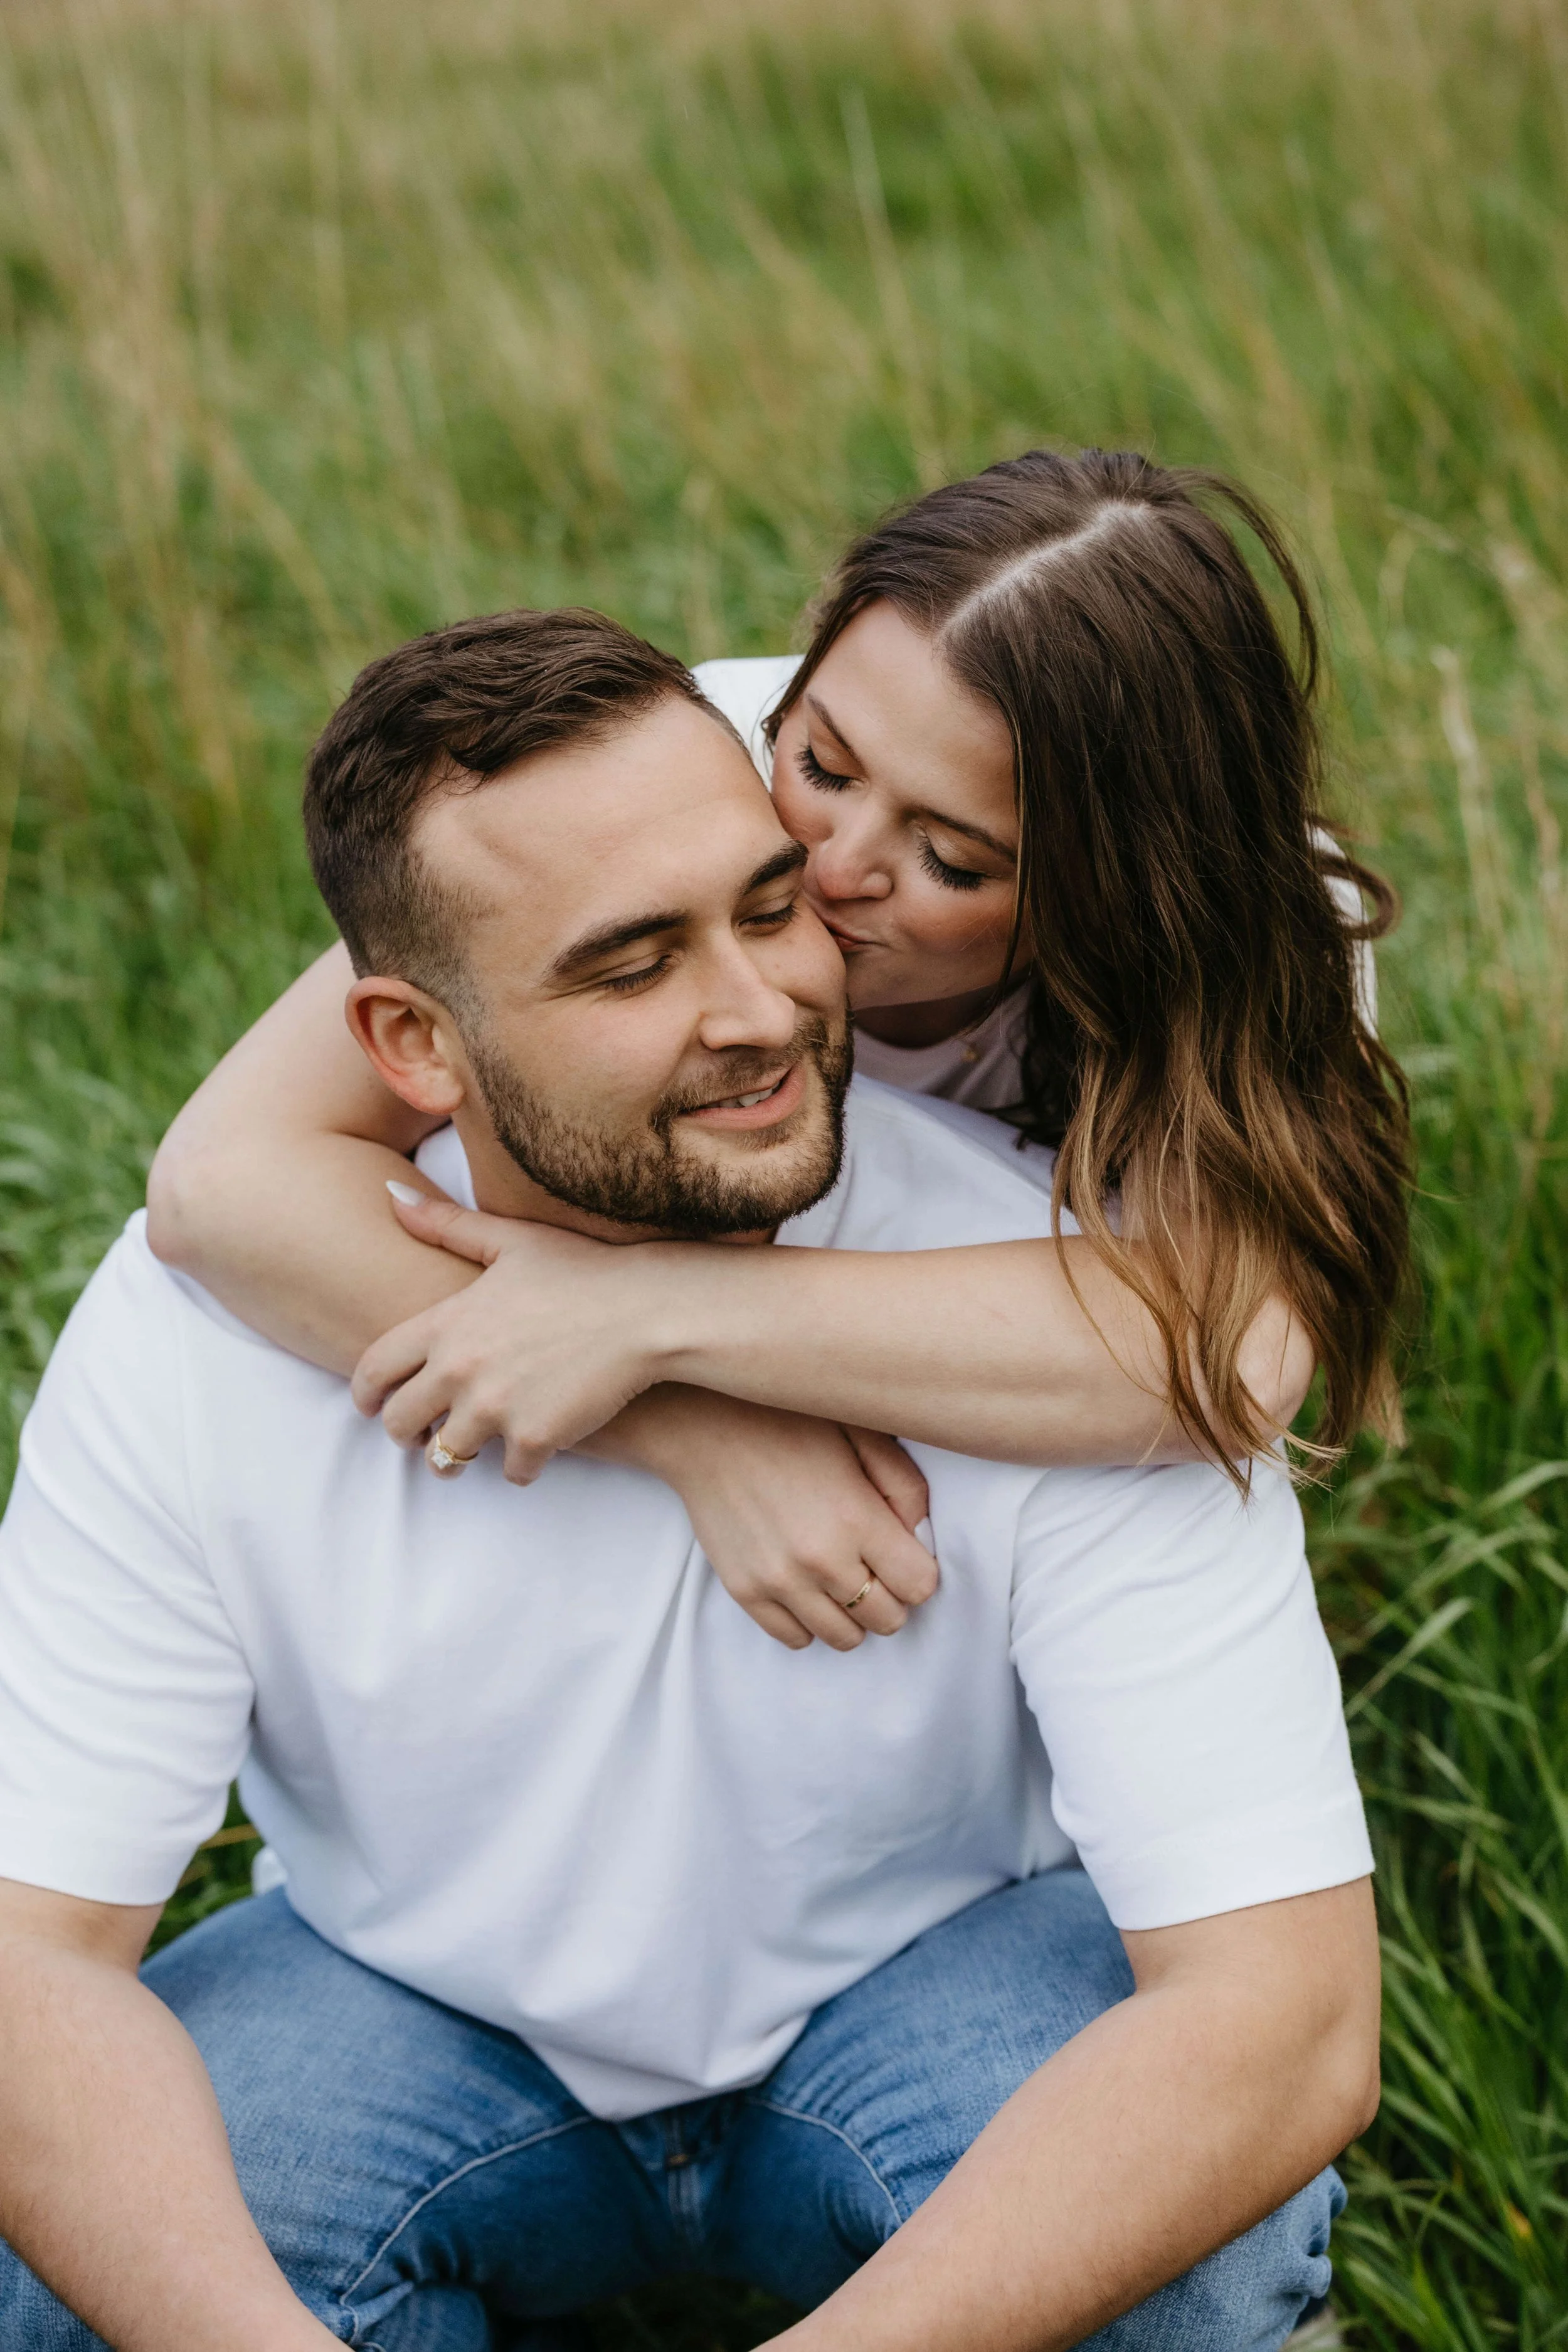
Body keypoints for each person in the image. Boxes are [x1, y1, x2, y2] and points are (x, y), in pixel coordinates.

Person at [0, 607, 1379, 2351]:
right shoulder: (209, 1324)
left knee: (1193, 2270)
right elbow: (24, 1957)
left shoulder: (1053, 1315)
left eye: (766, 904)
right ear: (409, 1045)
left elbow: (1284, 2023)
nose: (763, 1012)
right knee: (83, 2271)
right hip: (403, 1997)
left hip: (935, 1976)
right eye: (629, 962)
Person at [146, 450, 1411, 1653]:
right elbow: (225, 1182)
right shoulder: (683, 764)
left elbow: (1230, 1357)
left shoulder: (1259, 935)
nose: (829, 865)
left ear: (1123, 894)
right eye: (820, 763)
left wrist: (651, 1315)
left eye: (952, 859)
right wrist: (699, 1431)